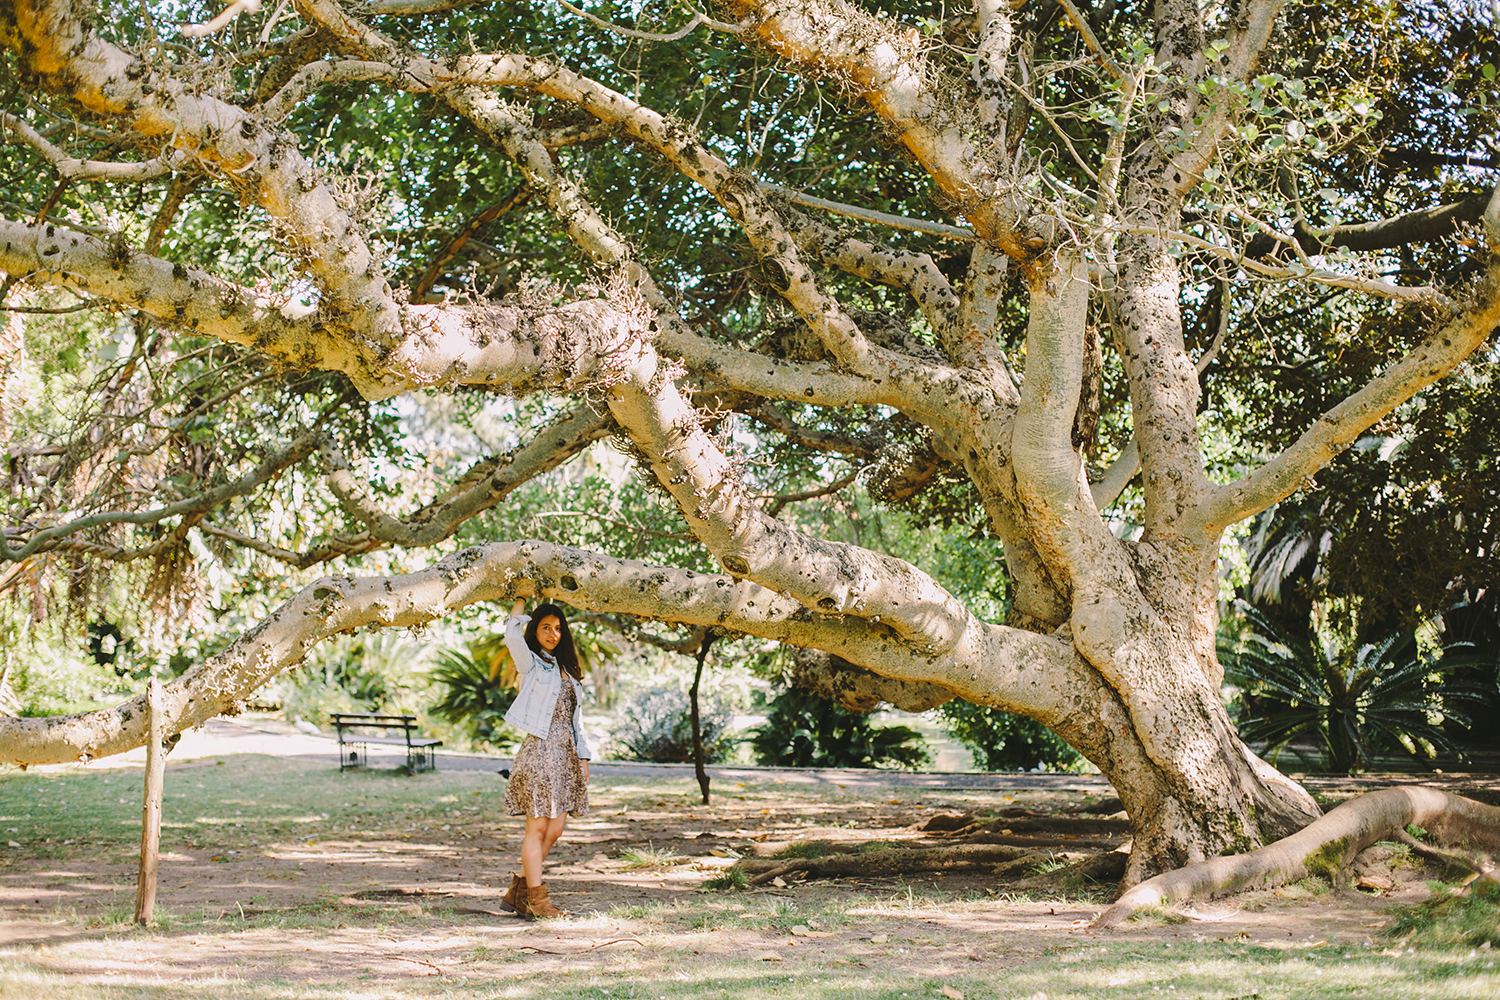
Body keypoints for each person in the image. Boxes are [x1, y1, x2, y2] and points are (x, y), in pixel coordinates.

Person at [498, 599, 591, 919]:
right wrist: (521, 601)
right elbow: (512, 636)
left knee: (555, 831)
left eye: (557, 628)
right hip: (539, 751)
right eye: (545, 627)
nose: (552, 633)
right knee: (536, 830)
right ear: (534, 630)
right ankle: (537, 901)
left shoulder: (569, 671)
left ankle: (520, 891)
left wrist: (584, 758)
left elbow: (577, 721)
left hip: (565, 756)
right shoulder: (532, 664)